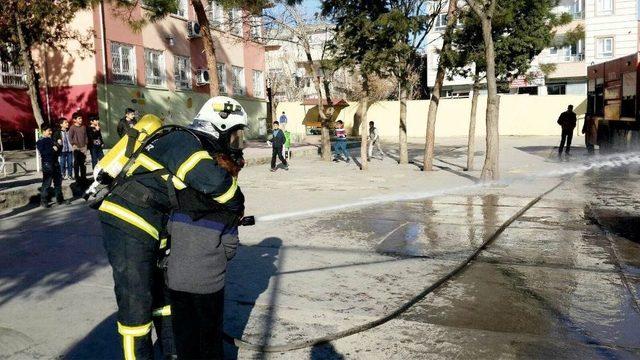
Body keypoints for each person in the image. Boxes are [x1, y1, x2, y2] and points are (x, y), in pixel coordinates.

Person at [98, 96, 246, 360]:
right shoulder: (185, 142)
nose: (236, 141)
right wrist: (237, 206)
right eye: (235, 134)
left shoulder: (192, 144)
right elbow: (217, 186)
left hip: (156, 223)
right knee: (137, 305)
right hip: (128, 222)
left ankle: (172, 352)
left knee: (164, 298)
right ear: (220, 127)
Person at [36, 124, 65, 207]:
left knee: (58, 182)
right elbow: (44, 153)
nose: (50, 132)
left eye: (51, 131)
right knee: (47, 183)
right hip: (47, 163)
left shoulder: (52, 140)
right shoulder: (40, 141)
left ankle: (60, 199)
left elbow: (58, 152)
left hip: (55, 162)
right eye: (49, 131)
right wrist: (53, 149)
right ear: (43, 132)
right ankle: (44, 201)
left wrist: (60, 145)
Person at [68, 112, 88, 184]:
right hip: (76, 148)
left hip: (83, 147)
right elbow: (70, 137)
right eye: (79, 118)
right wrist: (73, 144)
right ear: (74, 120)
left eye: (81, 118)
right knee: (77, 163)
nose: (81, 120)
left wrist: (86, 143)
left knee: (83, 163)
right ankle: (77, 178)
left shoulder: (83, 127)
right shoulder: (72, 127)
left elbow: (86, 136)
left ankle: (84, 177)